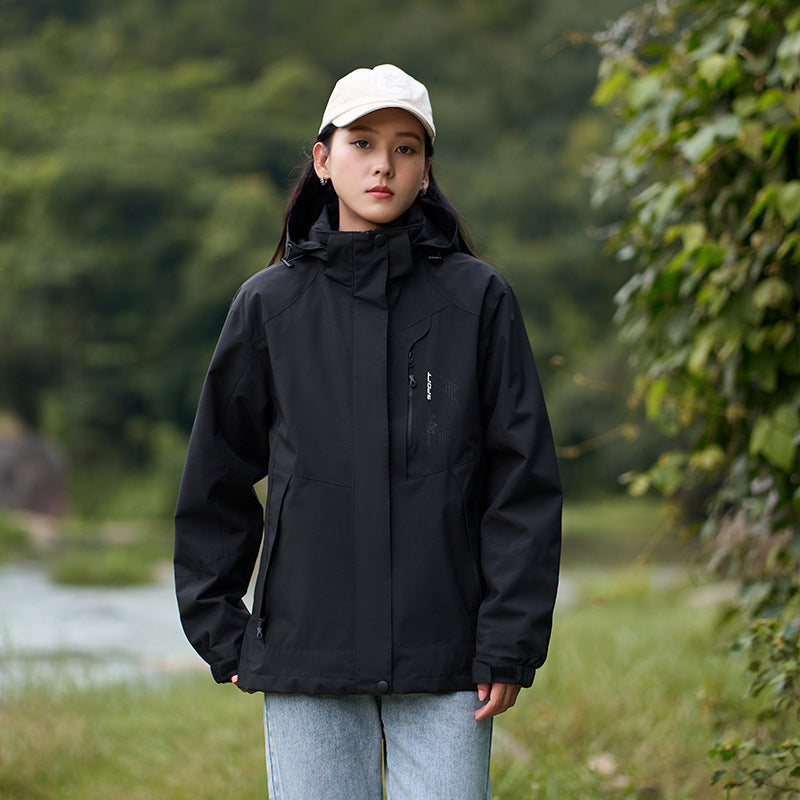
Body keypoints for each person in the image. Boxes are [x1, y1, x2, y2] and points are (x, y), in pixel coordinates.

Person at [174, 63, 562, 800]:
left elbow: (523, 482)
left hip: (449, 659)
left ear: (426, 171)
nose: (383, 164)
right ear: (323, 160)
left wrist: (509, 641)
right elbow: (214, 478)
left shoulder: (478, 299)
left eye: (405, 148)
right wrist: (223, 632)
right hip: (307, 657)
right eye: (362, 143)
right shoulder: (269, 305)